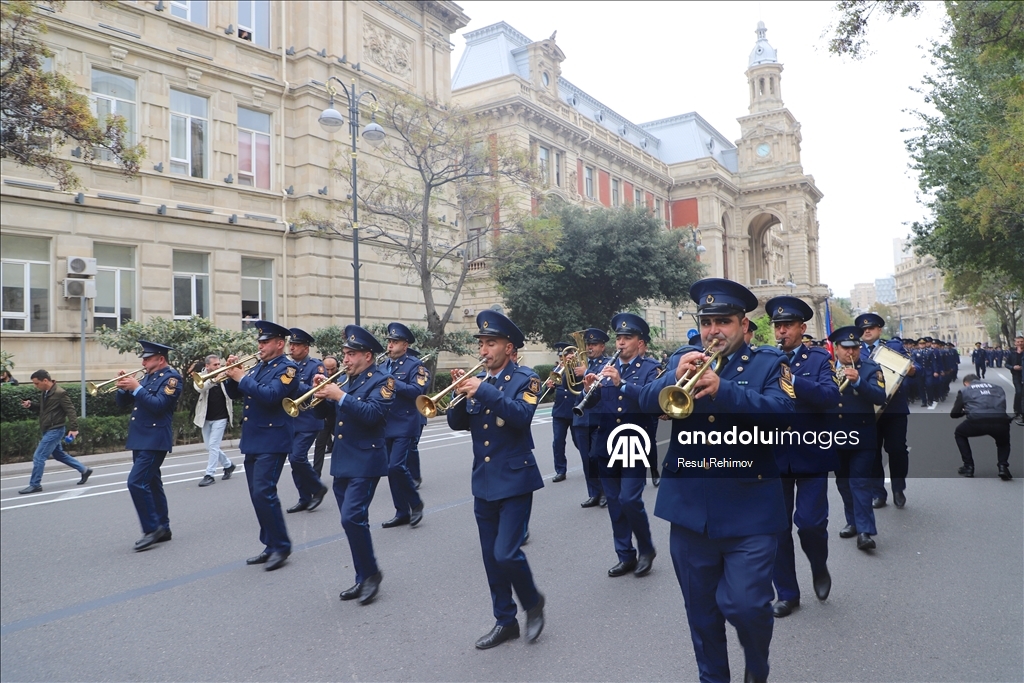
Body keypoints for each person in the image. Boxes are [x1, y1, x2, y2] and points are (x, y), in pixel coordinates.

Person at [640, 278, 793, 683]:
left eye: (723, 321)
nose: (713, 331)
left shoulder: (768, 363)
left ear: (743, 325)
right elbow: (643, 401)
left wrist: (725, 391)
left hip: (750, 511)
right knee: (702, 616)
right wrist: (671, 378)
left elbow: (783, 416)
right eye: (706, 322)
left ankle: (756, 667)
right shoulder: (683, 359)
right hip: (690, 512)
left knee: (746, 607)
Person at [447, 310, 546, 649]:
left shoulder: (526, 379)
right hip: (484, 480)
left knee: (506, 553)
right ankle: (505, 621)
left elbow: (521, 416)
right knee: (491, 558)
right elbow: (457, 423)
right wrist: (458, 395)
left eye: (491, 343)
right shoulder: (480, 381)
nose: (484, 350)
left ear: (509, 348)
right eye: (482, 344)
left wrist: (483, 391)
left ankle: (533, 602)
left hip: (516, 479)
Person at [765, 296, 840, 618]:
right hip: (775, 454)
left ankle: (818, 564)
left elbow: (831, 396)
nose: (781, 331)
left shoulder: (819, 359)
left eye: (788, 326)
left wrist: (793, 379)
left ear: (802, 328)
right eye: (777, 326)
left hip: (811, 453)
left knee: (810, 524)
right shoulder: (764, 360)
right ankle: (787, 593)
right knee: (777, 529)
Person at [313, 325, 394, 604]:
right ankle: (362, 576)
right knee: (353, 523)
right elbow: (329, 416)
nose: (345, 359)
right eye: (345, 353)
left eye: (351, 354)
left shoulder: (383, 381)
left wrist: (339, 396)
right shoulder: (347, 381)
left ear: (367, 356)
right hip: (343, 460)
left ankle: (371, 574)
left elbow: (372, 414)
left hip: (366, 460)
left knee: (351, 518)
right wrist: (320, 397)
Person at [578, 312, 660, 578]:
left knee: (629, 499)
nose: (621, 343)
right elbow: (592, 403)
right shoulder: (605, 368)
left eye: (627, 338)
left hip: (634, 443)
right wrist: (588, 389)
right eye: (619, 338)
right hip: (607, 443)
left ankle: (646, 548)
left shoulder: (650, 368)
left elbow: (652, 399)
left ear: (640, 342)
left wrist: (620, 383)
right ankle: (625, 555)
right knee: (614, 503)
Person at [224, 321, 300, 571]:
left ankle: (281, 546)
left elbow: (271, 396)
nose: (260, 346)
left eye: (265, 342)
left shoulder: (288, 369)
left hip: (273, 439)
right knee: (257, 495)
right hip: (254, 438)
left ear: (280, 344)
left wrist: (242, 377)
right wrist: (231, 375)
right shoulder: (259, 367)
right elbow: (236, 393)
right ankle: (270, 544)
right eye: (259, 342)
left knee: (263, 492)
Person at [115, 342, 183, 550]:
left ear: (160, 359)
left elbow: (159, 405)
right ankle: (164, 527)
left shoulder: (172, 379)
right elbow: (122, 404)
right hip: (140, 437)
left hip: (155, 439)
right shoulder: (148, 377)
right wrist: (123, 388)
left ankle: (152, 529)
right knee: (152, 483)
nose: (143, 363)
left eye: (147, 359)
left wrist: (136, 388)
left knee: (136, 482)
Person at [829, 326, 886, 551]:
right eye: (845, 348)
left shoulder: (871, 368)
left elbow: (880, 396)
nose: (850, 352)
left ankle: (865, 531)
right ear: (837, 349)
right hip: (835, 436)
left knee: (860, 482)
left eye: (854, 347)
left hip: (862, 436)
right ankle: (852, 521)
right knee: (843, 482)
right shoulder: (826, 369)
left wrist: (859, 382)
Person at [856, 313, 919, 510]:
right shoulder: (854, 350)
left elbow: (915, 368)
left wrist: (912, 370)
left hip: (894, 410)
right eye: (863, 329)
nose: (867, 331)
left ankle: (898, 488)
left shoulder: (893, 347)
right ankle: (878, 493)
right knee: (872, 453)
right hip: (868, 411)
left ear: (879, 329)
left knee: (897, 450)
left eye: (871, 328)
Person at [379, 322, 428, 529]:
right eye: (389, 341)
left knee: (396, 466)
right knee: (390, 471)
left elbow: (417, 390)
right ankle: (401, 511)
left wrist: (391, 382)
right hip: (386, 423)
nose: (390, 345)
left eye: (395, 342)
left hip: (405, 423)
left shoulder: (415, 366)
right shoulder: (382, 366)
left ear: (405, 345)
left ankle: (415, 503)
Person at [18, 369, 91, 494]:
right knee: (58, 455)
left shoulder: (60, 393)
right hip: (47, 429)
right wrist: (31, 405)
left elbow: (71, 410)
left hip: (55, 429)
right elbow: (44, 409)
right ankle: (84, 470)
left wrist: (74, 429)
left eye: (36, 383)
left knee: (39, 456)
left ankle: (35, 484)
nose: (35, 386)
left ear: (45, 380)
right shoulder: (45, 392)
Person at [283, 328, 329, 513]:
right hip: (291, 420)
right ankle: (304, 497)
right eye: (291, 344)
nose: (292, 348)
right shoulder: (288, 367)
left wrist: (294, 384)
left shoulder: (316, 367)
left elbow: (317, 390)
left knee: (297, 457)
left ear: (306, 348)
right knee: (293, 461)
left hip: (309, 419)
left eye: (296, 345)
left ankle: (318, 488)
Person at [573, 328, 610, 508]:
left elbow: (605, 383)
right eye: (588, 344)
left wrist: (586, 371)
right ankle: (593, 493)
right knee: (586, 460)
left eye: (594, 344)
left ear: (602, 347)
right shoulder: (580, 363)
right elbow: (571, 387)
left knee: (597, 456)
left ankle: (605, 491)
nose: (590, 347)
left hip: (599, 416)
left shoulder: (608, 363)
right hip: (581, 418)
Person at [951, 375, 1013, 480]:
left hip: (977, 421)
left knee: (959, 433)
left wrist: (965, 411)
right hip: (1000, 420)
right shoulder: (997, 388)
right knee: (1003, 443)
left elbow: (954, 414)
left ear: (966, 383)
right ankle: (1003, 467)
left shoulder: (965, 390)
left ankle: (968, 467)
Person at [192, 355, 236, 487]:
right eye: (215, 365)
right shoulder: (200, 376)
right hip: (205, 418)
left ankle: (209, 475)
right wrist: (214, 380)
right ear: (207, 366)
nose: (218, 367)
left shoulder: (225, 375)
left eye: (219, 364)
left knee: (213, 446)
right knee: (209, 447)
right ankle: (228, 465)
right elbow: (200, 388)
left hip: (221, 417)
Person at [545, 342, 573, 483]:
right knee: (558, 442)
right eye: (561, 356)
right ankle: (560, 471)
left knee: (580, 442)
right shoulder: (556, 370)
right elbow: (550, 391)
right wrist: (549, 387)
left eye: (565, 355)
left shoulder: (578, 369)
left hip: (574, 410)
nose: (563, 358)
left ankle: (591, 465)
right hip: (559, 411)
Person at [312, 355, 339, 478]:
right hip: (325, 417)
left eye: (332, 369)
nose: (329, 372)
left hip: (337, 417)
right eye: (327, 369)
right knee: (319, 445)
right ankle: (315, 476)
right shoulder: (319, 377)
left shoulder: (342, 378)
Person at [1007, 336, 1023, 425]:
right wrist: (1013, 367)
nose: (1020, 343)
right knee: (1019, 392)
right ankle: (1017, 411)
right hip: (1016, 376)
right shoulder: (1012, 353)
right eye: (1018, 342)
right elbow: (1007, 364)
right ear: (1015, 343)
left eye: (1022, 341)